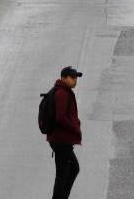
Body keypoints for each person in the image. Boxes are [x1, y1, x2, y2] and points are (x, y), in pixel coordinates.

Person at [47, 66, 83, 199]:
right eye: (72, 77)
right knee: (63, 174)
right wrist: (74, 127)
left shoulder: (64, 91)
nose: (75, 80)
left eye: (76, 78)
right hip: (61, 140)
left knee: (73, 169)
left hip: (61, 140)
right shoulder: (62, 93)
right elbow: (60, 117)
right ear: (64, 78)